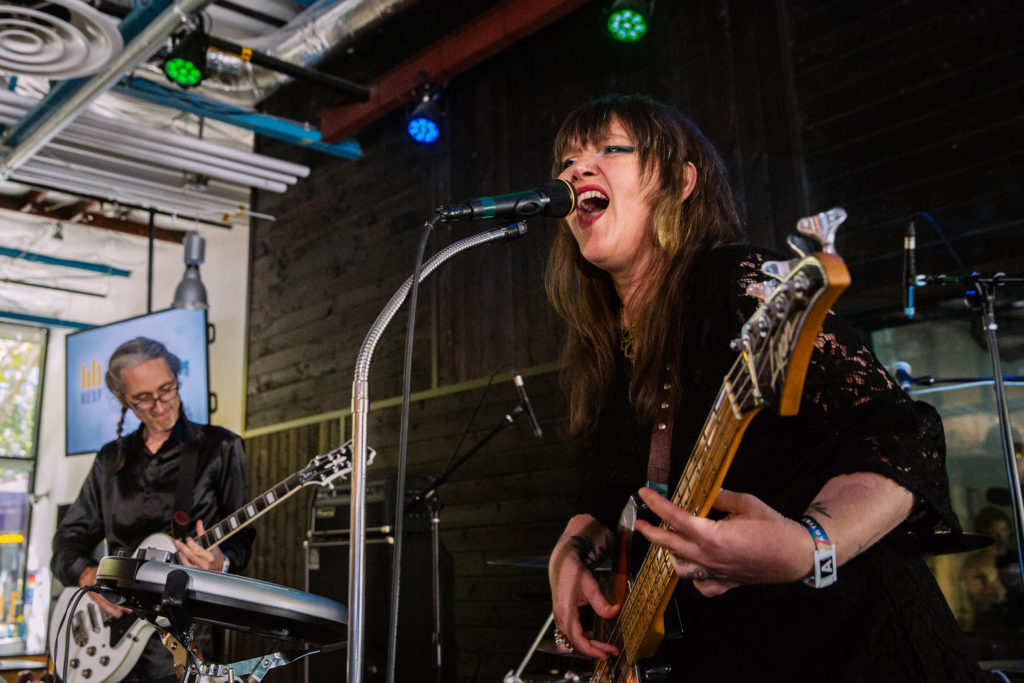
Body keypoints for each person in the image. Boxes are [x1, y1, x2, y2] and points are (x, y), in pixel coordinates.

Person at [544, 94, 981, 681]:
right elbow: (604, 496)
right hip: (722, 654)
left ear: (680, 181)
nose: (576, 170)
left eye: (610, 149)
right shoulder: (601, 343)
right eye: (567, 161)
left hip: (845, 648)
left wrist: (810, 546)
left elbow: (901, 435)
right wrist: (571, 550)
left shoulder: (739, 284)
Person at [51, 337, 254, 683]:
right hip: (110, 639)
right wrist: (89, 578)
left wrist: (222, 562)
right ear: (122, 399)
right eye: (143, 399)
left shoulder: (221, 448)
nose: (160, 406)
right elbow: (67, 542)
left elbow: (243, 539)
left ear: (177, 379)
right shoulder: (109, 460)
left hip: (184, 643)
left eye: (167, 389)